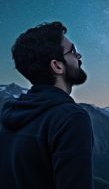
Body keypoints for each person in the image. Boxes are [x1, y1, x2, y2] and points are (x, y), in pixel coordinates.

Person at [0, 21, 94, 189]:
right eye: (73, 51)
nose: (79, 56)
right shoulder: (70, 118)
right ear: (57, 66)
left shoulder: (10, 112)